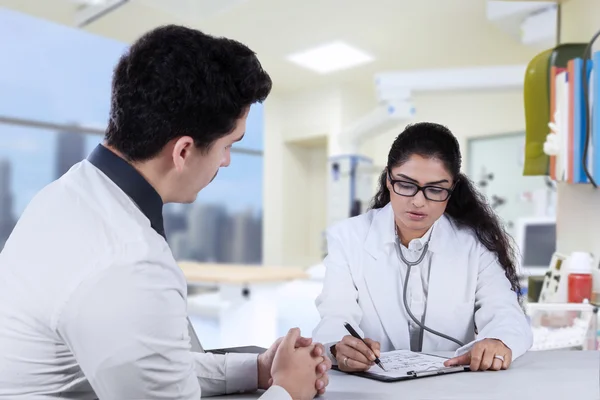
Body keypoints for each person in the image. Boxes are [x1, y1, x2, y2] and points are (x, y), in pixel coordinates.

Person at [0, 25, 330, 400]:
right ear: (184, 151)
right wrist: (288, 390)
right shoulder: (128, 263)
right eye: (227, 145)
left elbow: (147, 361)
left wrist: (256, 369)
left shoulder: (70, 193)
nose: (225, 162)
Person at [312, 122, 532, 373]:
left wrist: (498, 340)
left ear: (451, 190)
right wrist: (339, 347)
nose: (418, 201)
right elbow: (335, 316)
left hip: (451, 387)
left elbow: (506, 313)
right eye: (406, 185)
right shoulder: (348, 238)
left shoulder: (474, 244)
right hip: (372, 387)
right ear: (388, 179)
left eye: (435, 189)